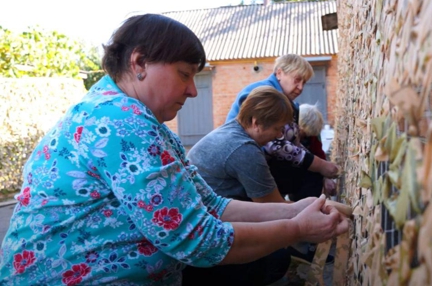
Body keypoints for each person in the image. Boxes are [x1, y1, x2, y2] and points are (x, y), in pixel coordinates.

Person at [0, 14, 349, 286]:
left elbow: (209, 205)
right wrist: (297, 230)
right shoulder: (123, 122)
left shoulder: (137, 118)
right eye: (184, 75)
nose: (193, 91)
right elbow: (198, 239)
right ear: (139, 64)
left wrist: (292, 211)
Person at [183, 86, 293, 285]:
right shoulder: (243, 150)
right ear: (256, 122)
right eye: (277, 128)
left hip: (197, 232)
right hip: (206, 246)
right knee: (279, 258)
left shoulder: (230, 129)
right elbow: (274, 207)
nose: (279, 136)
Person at [224, 54, 339, 199]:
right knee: (310, 173)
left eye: (304, 82)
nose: (300, 87)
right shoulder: (264, 95)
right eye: (297, 80)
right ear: (279, 73)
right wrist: (320, 165)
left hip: (260, 162)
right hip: (241, 166)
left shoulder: (289, 105)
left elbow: (294, 144)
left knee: (310, 173)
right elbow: (274, 145)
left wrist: (320, 166)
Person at [288, 103, 337, 202]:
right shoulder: (285, 133)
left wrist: (326, 177)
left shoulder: (313, 137)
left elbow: (319, 155)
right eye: (303, 133)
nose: (304, 138)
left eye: (308, 135)